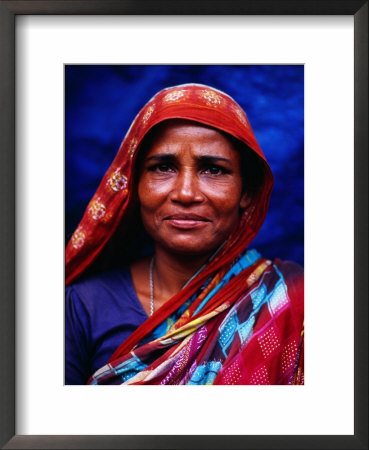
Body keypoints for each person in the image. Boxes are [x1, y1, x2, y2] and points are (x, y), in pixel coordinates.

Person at [65, 83, 304, 385]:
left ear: (247, 191)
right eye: (163, 167)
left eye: (213, 170)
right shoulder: (82, 306)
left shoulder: (293, 300)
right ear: (134, 186)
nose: (186, 193)